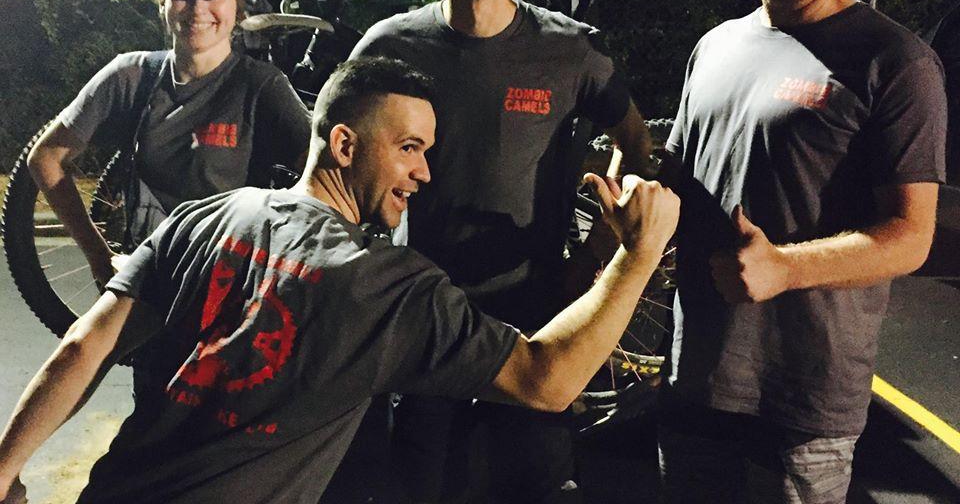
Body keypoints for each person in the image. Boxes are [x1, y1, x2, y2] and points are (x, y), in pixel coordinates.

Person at [0, 57, 680, 504]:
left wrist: (4, 470)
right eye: (409, 148)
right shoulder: (383, 287)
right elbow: (547, 379)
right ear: (345, 144)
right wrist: (637, 254)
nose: (424, 173)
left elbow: (84, 347)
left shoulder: (207, 217)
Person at [349, 0, 653, 503]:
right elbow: (336, 166)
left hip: (534, 326)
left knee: (525, 487)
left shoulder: (570, 49)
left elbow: (636, 147)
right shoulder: (389, 46)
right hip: (423, 325)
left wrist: (594, 256)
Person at [660, 0, 946, 504]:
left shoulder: (894, 62)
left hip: (802, 402)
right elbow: (682, 174)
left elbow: (912, 235)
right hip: (696, 375)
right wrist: (637, 202)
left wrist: (785, 268)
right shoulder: (715, 47)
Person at [27, 0, 310, 286]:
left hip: (229, 291)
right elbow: (46, 157)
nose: (198, 8)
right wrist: (99, 257)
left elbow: (326, 180)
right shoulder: (131, 76)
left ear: (237, 6)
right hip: (147, 284)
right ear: (161, 1)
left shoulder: (262, 87)